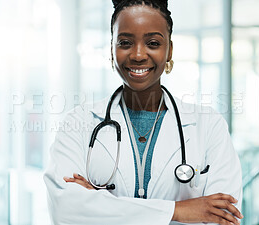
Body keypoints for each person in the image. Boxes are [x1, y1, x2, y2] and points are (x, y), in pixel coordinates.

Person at [44, 0, 243, 224]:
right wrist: (177, 211)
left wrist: (100, 204)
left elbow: (224, 217)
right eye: (125, 42)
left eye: (153, 43)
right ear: (112, 49)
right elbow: (66, 211)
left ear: (169, 50)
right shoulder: (78, 123)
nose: (138, 55)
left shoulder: (209, 126)